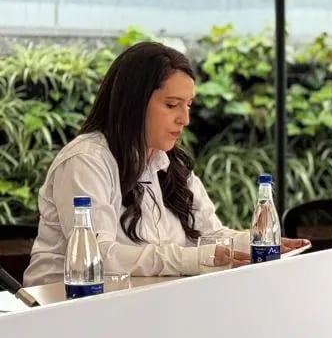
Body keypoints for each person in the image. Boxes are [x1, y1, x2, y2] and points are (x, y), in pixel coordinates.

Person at [23, 41, 306, 286]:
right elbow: (99, 256)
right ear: (134, 103)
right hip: (63, 311)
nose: (185, 118)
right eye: (172, 105)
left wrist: (257, 245)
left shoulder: (172, 165)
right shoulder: (86, 161)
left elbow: (210, 236)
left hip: (145, 307)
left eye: (189, 105)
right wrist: (194, 259)